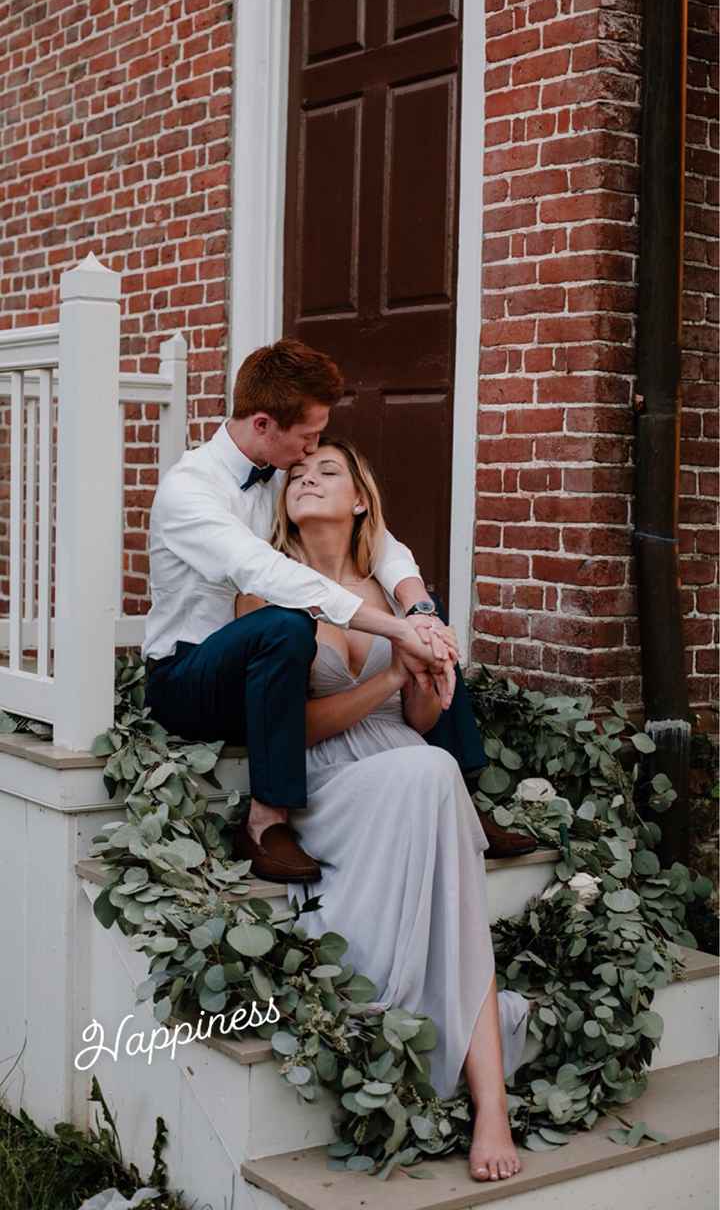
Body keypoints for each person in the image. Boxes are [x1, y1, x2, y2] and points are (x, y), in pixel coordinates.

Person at [259, 437, 528, 1183]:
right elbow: (286, 731)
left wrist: (427, 677)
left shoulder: (388, 583)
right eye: (296, 474)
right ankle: (489, 1092)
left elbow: (414, 722)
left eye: (327, 471)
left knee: (431, 767)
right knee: (432, 772)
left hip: (406, 767)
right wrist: (387, 681)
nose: (307, 477)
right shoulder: (264, 590)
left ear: (361, 500)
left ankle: (491, 1107)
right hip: (324, 777)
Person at [143, 339, 466, 883]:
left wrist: (420, 613)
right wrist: (396, 629)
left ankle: (466, 790)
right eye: (309, 435)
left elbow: (382, 546)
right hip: (190, 679)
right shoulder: (190, 490)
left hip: (267, 679)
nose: (314, 448)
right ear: (265, 424)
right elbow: (265, 573)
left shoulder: (280, 470)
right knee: (286, 623)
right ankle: (266, 819)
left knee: (427, 629)